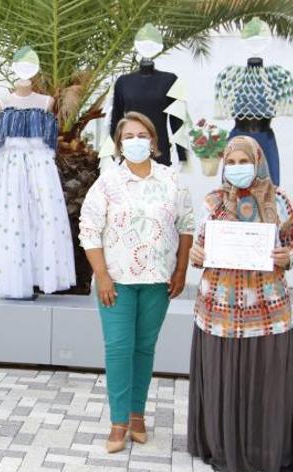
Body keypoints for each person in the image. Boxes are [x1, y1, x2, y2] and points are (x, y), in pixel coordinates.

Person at [187, 136, 293, 472]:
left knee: (264, 381)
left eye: (245, 161)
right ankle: (221, 446)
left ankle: (263, 449)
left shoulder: (279, 200)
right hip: (219, 309)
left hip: (267, 310)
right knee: (223, 378)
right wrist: (196, 255)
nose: (238, 168)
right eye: (232, 161)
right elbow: (199, 246)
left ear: (259, 161)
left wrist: (289, 255)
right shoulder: (213, 202)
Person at [78, 111, 194, 453]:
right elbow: (89, 230)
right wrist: (101, 277)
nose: (136, 141)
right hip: (117, 282)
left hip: (158, 280)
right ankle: (117, 422)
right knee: (118, 350)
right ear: (119, 144)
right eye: (128, 136)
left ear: (154, 142)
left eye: (142, 135)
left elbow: (187, 226)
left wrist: (181, 271)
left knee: (144, 349)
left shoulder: (172, 180)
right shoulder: (107, 183)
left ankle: (137, 414)